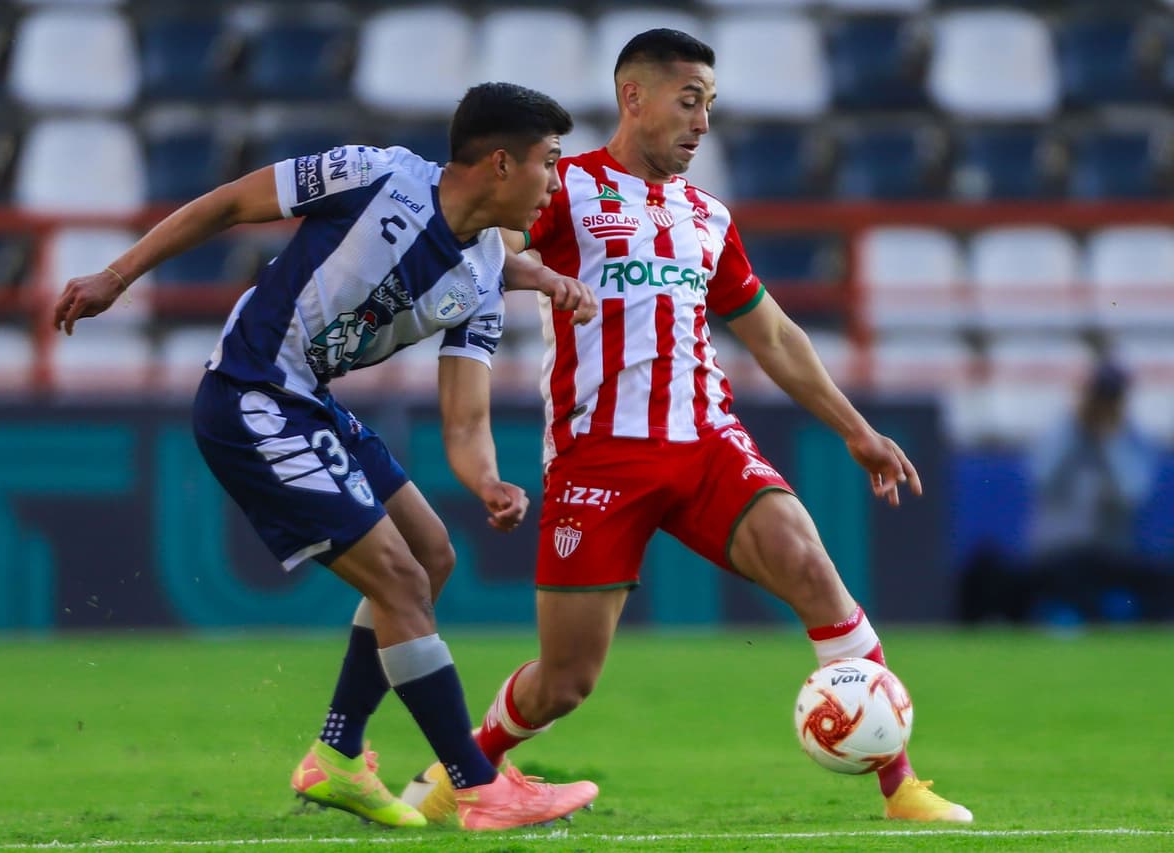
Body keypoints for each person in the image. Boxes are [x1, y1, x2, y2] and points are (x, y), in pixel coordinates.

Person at [402, 30, 972, 823]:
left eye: (710, 104)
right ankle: (458, 767)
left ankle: (901, 785)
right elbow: (488, 248)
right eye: (690, 100)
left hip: (707, 442)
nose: (703, 122)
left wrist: (856, 428)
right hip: (598, 457)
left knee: (811, 567)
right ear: (633, 98)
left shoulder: (709, 216)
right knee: (566, 680)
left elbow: (771, 333)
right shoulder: (561, 187)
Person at [52, 82, 600, 832]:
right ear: (501, 164)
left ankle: (337, 756)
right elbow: (226, 204)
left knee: (431, 554)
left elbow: (464, 418)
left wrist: (488, 480)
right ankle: (477, 783)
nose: (555, 182)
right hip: (251, 395)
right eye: (549, 162)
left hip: (308, 399)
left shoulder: (480, 280)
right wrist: (117, 276)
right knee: (402, 577)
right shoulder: (373, 175)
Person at [962, 360, 1168, 622]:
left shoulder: (1132, 438)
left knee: (1158, 581)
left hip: (1111, 553)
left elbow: (1132, 494)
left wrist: (1107, 441)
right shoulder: (1062, 433)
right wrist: (1078, 431)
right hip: (1059, 553)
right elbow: (1040, 479)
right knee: (1067, 577)